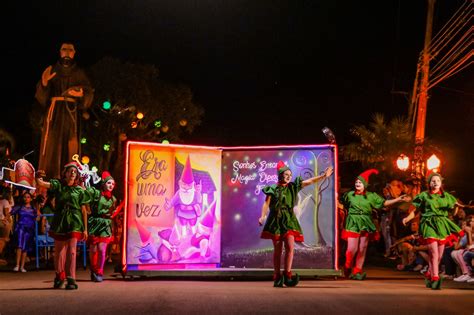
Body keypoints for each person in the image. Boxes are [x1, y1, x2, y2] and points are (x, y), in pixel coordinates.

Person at [258, 161, 334, 287]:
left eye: (290, 174)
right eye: (286, 174)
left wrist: (323, 176)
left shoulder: (293, 187)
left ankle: (287, 275)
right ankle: (277, 276)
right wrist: (262, 216)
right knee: (277, 249)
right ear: (280, 175)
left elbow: (309, 181)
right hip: (275, 219)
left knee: (290, 247)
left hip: (289, 219)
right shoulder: (272, 189)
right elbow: (266, 204)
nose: (288, 176)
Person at [35, 42, 93, 180]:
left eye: (70, 50)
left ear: (74, 53)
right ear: (60, 52)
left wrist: (81, 94)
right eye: (64, 49)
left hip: (71, 115)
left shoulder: (79, 73)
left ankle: (70, 178)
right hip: (54, 114)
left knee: (70, 144)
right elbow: (41, 97)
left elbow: (88, 92)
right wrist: (44, 83)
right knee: (52, 145)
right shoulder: (52, 70)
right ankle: (49, 177)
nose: (67, 52)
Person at [341, 169, 410, 280]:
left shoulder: (371, 196)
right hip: (353, 222)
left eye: (360, 182)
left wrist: (397, 199)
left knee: (362, 248)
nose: (358, 184)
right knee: (352, 249)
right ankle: (348, 265)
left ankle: (357, 270)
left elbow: (384, 203)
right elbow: (340, 203)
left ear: (365, 184)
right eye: (356, 182)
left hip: (366, 222)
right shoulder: (349, 195)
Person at [403, 172, 464, 290]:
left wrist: (456, 207)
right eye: (433, 180)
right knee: (434, 252)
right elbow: (415, 211)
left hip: (442, 224)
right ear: (429, 183)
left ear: (441, 183)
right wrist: (407, 218)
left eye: (437, 180)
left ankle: (430, 273)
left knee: (439, 256)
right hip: (428, 223)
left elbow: (453, 213)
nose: (435, 182)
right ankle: (435, 277)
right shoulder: (424, 196)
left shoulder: (447, 196)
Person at [35, 161, 89, 290]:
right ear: (65, 173)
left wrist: (85, 229)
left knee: (71, 251)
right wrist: (37, 177)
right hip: (60, 220)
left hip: (75, 221)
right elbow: (42, 184)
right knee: (59, 252)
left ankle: (71, 278)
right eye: (70, 171)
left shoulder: (80, 190)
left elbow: (83, 210)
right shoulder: (58, 185)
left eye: (75, 172)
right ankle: (60, 275)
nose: (72, 173)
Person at [87, 171, 119, 282]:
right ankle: (94, 269)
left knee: (102, 249)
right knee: (93, 249)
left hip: (105, 223)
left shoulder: (113, 199)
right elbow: (86, 190)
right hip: (95, 222)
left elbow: (113, 213)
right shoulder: (96, 193)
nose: (111, 186)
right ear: (104, 183)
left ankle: (100, 271)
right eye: (109, 183)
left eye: (113, 184)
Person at [10, 191, 40, 272]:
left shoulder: (33, 208)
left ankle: (22, 266)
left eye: (28, 197)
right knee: (19, 246)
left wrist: (37, 217)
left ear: (30, 199)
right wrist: (5, 219)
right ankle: (17, 265)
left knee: (25, 247)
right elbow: (10, 213)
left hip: (29, 229)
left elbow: (38, 216)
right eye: (25, 197)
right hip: (21, 228)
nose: (26, 198)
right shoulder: (20, 207)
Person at [0, 188, 14, 265]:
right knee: (4, 240)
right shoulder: (5, 201)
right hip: (3, 222)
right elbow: (7, 213)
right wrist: (8, 222)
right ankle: (1, 257)